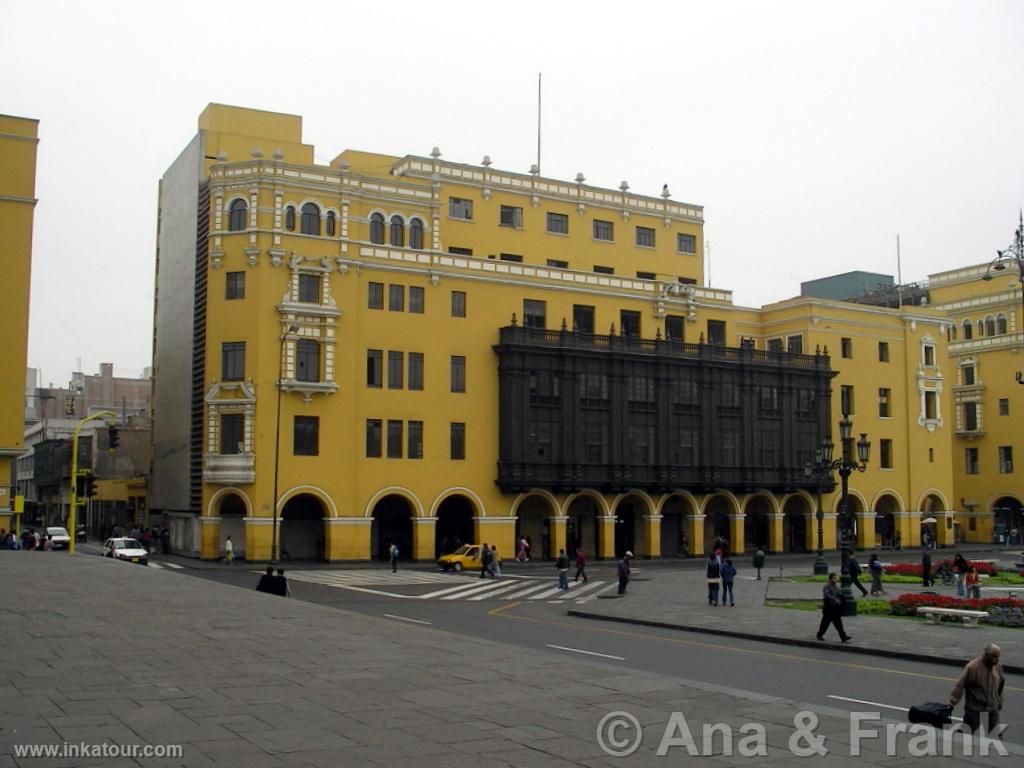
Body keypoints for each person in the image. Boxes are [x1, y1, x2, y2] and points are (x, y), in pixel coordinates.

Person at [949, 643, 1004, 735]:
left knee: (996, 735)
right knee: (966, 732)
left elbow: (1000, 685)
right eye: (994, 657)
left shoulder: (998, 667)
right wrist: (952, 702)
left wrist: (999, 702)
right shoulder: (973, 667)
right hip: (974, 709)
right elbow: (960, 685)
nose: (997, 660)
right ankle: (956, 741)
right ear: (986, 655)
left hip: (992, 708)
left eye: (998, 657)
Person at [817, 572, 851, 643]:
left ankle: (843, 637)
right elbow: (826, 594)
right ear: (830, 579)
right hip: (828, 609)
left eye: (836, 578)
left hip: (835, 609)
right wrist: (834, 599)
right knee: (825, 624)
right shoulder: (827, 586)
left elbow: (840, 594)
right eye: (834, 578)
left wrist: (842, 600)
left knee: (839, 624)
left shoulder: (836, 587)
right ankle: (819, 635)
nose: (836, 580)